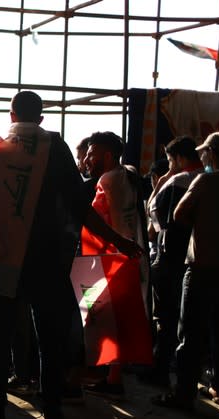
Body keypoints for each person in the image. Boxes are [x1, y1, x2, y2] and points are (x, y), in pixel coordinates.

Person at [0, 91, 142, 419]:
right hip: (47, 258)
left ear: (12, 115)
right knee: (48, 335)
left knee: (1, 333)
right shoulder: (56, 148)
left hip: (3, 256)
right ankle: (52, 408)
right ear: (42, 118)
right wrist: (118, 239)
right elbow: (79, 206)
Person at [153, 132, 219, 409]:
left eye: (206, 152)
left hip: (201, 266)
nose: (203, 156)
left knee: (191, 333)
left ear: (214, 153)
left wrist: (204, 221)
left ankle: (183, 394)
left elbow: (178, 214)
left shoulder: (204, 180)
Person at [82, 130, 149, 400]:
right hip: (129, 258)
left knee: (103, 321)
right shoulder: (128, 176)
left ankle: (108, 376)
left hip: (109, 260)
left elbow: (92, 221)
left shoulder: (107, 181)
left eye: (91, 153)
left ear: (107, 155)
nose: (87, 159)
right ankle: (113, 376)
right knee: (122, 320)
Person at [144, 136, 202, 387]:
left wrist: (165, 179)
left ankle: (160, 370)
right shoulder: (208, 179)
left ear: (178, 158)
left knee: (165, 318)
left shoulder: (178, 180)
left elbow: (154, 213)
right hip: (197, 258)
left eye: (170, 160)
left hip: (169, 258)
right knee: (190, 320)